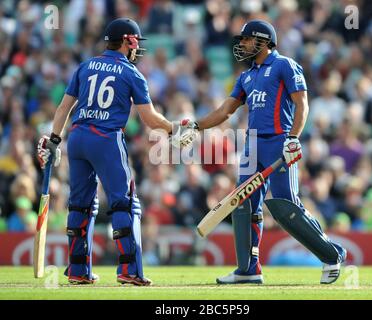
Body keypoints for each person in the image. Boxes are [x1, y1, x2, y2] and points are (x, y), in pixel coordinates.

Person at [181, 20, 347, 284]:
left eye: (246, 39)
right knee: (243, 204)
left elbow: (302, 103)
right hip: (252, 145)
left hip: (279, 142)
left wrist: (293, 138)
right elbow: (225, 111)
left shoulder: (284, 65)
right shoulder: (247, 75)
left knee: (285, 205)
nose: (242, 44)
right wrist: (196, 125)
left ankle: (332, 255)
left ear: (262, 41)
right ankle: (248, 270)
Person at [36, 18, 191, 285]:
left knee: (80, 205)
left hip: (77, 138)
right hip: (106, 139)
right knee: (125, 203)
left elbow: (63, 108)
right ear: (128, 41)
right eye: (135, 43)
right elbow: (149, 118)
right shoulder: (131, 73)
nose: (137, 49)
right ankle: (130, 270)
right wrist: (173, 128)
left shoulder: (85, 66)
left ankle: (77, 271)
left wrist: (54, 140)